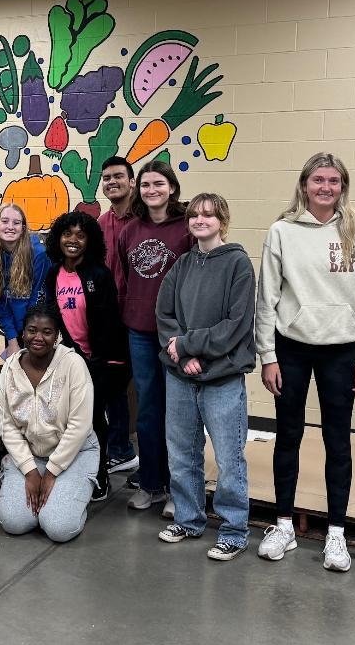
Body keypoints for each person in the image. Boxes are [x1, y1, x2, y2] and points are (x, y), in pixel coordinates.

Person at [254, 152, 355, 572]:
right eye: (318, 180)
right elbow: (267, 298)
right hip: (291, 348)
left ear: (342, 186)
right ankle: (284, 525)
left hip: (342, 350)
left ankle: (336, 533)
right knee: (288, 436)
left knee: (337, 441)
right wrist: (268, 355)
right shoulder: (282, 231)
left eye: (333, 181)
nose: (326, 187)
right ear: (304, 185)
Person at [156, 193, 256, 561]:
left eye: (209, 215)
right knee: (182, 453)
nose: (200, 220)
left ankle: (234, 530)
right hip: (181, 376)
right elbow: (164, 315)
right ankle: (188, 519)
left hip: (222, 377)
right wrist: (183, 356)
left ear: (222, 222)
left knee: (229, 458)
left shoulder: (238, 264)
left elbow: (236, 324)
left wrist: (189, 346)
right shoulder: (182, 264)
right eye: (195, 215)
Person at [117, 160, 193, 514]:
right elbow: (126, 277)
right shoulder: (129, 230)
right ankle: (151, 484)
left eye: (159, 184)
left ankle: (180, 490)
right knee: (147, 411)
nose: (152, 190)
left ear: (172, 188)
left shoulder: (187, 228)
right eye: (146, 184)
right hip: (140, 332)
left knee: (178, 412)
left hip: (176, 334)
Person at [42, 210, 128, 501]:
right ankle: (70, 471)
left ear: (89, 241)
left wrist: (97, 361)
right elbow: (53, 318)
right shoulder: (53, 273)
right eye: (67, 234)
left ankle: (100, 475)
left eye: (81, 235)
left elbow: (109, 323)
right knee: (68, 420)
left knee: (92, 419)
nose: (73, 240)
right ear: (58, 238)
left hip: (97, 362)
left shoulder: (99, 275)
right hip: (69, 359)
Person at [0, 305, 98, 542]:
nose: (38, 337)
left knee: (58, 528)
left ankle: (74, 494)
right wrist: (30, 471)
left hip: (74, 454)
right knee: (13, 522)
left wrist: (51, 473)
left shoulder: (73, 365)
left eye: (47, 332)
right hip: (30, 454)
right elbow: (7, 425)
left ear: (57, 335)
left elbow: (79, 426)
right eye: (32, 330)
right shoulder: (10, 369)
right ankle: (21, 479)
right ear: (23, 333)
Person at [97, 155, 139, 477]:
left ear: (132, 182)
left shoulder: (145, 220)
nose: (112, 182)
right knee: (112, 387)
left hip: (143, 319)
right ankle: (121, 450)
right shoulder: (101, 224)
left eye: (118, 176)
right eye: (107, 178)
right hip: (111, 320)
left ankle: (157, 465)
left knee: (148, 390)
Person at [0, 202, 50, 359]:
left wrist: (28, 335)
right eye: (5, 221)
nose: (10, 227)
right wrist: (12, 340)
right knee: (13, 368)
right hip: (12, 328)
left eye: (16, 223)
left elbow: (38, 298)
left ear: (23, 228)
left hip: (37, 327)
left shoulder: (38, 254)